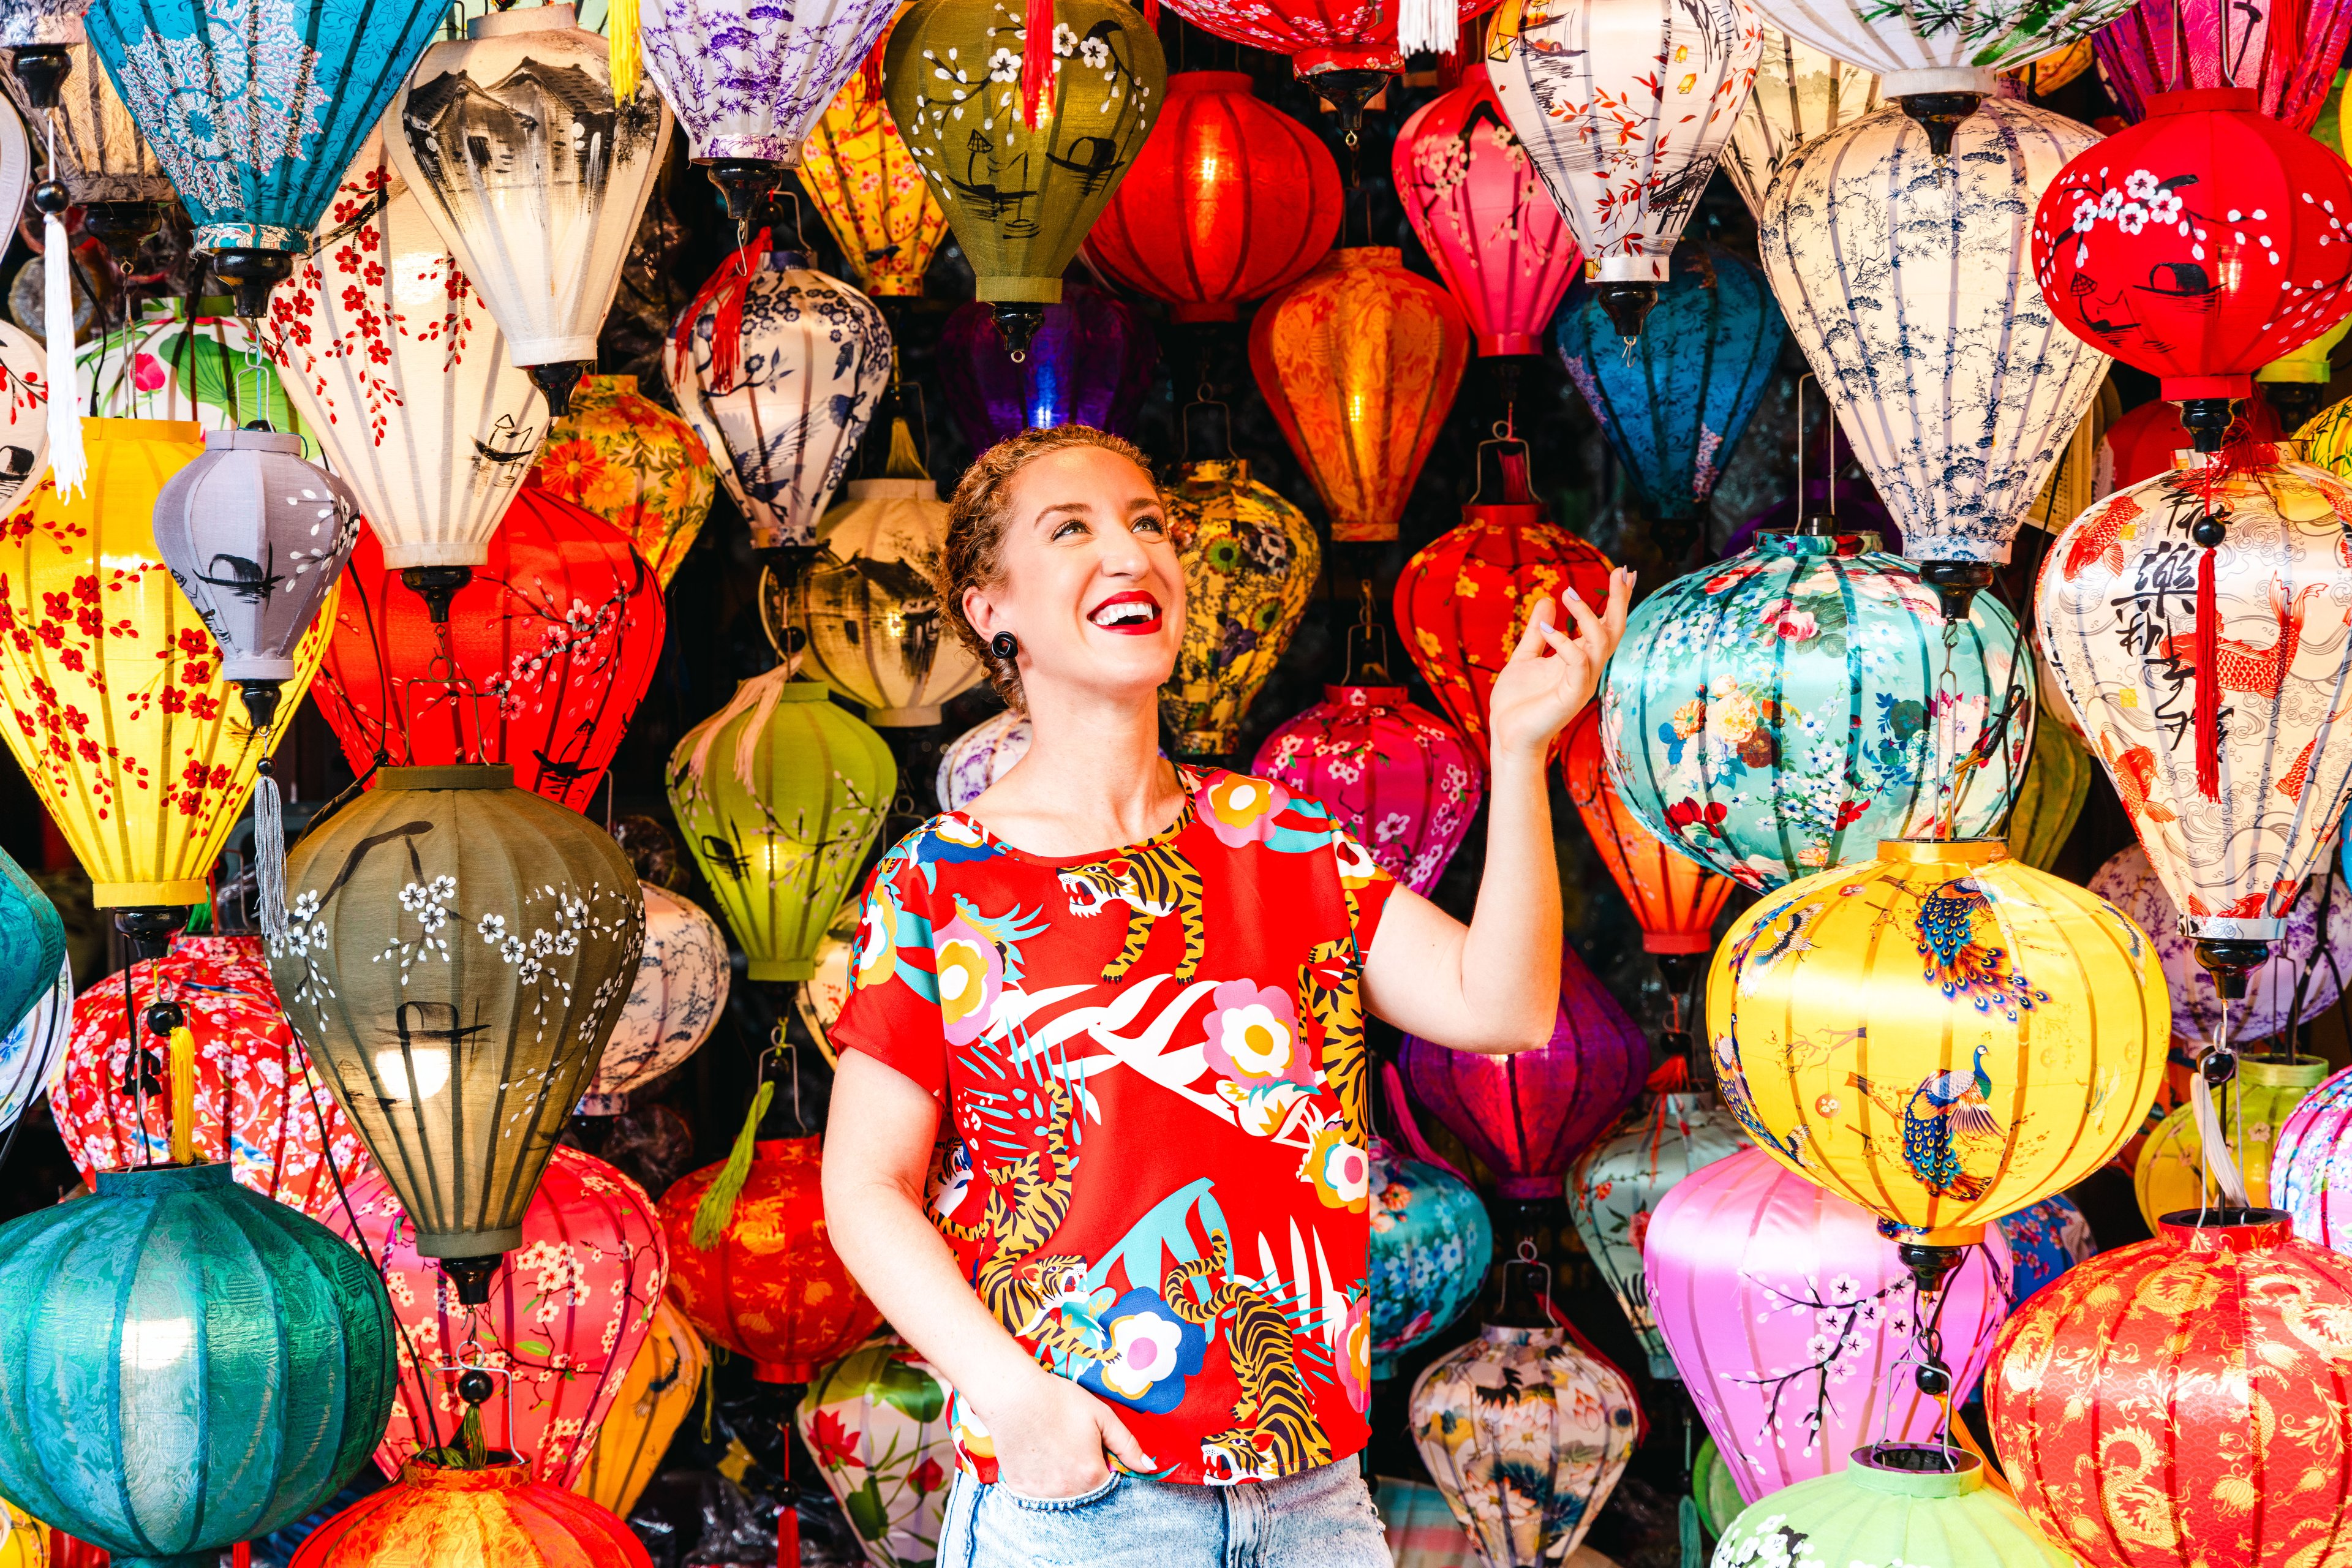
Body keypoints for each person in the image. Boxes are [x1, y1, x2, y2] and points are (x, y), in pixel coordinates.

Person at [821, 424, 1631, 1567]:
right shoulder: (945, 883)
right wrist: (1022, 1405)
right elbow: (863, 1187)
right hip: (1085, 1506)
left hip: (1316, 1502)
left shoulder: (1282, 839)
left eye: (1148, 522)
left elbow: (1501, 1006)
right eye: (1073, 529)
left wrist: (1516, 753)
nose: (1132, 552)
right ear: (989, 609)